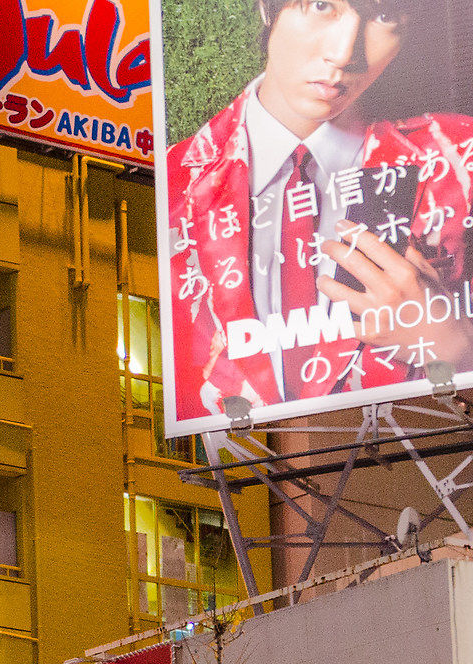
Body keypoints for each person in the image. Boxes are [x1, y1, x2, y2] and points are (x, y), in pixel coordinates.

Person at [165, 0, 473, 422]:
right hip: (240, 481)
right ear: (266, 7)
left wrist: (456, 346)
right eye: (322, 5)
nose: (345, 54)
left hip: (411, 477)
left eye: (384, 17)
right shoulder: (171, 187)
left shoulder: (460, 156)